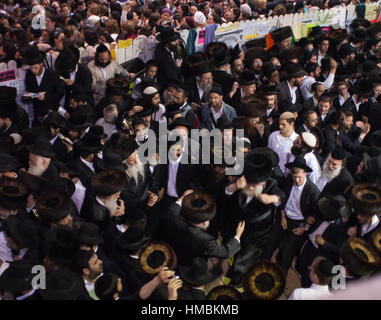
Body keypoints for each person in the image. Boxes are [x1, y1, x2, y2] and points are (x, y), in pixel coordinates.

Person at [261, 157, 320, 272]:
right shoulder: (288, 181)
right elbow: (281, 198)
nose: (296, 180)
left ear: (305, 174)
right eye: (294, 177)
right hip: (284, 217)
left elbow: (316, 216)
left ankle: (281, 278)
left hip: (299, 224)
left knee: (286, 254)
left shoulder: (313, 191)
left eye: (299, 177)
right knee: (269, 245)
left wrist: (304, 228)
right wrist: (282, 216)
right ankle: (261, 269)